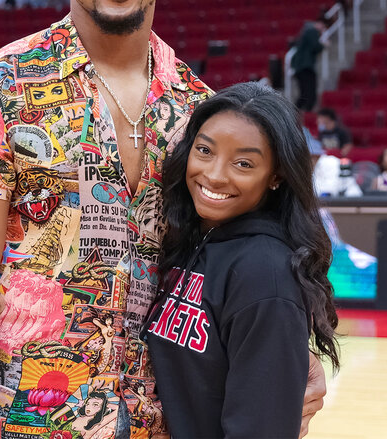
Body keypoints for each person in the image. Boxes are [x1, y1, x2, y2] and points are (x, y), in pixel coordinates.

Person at [0, 0, 327, 439]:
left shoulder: (198, 109)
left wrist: (292, 349)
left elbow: (240, 260)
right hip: (31, 422)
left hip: (168, 422)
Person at [144, 82, 340, 438]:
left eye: (243, 163)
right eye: (205, 150)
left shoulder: (267, 275)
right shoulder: (193, 241)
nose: (216, 175)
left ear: (276, 175)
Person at [291, 15, 329, 113]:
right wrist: (324, 45)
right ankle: (306, 112)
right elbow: (315, 46)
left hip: (300, 67)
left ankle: (295, 112)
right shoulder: (312, 31)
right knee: (309, 91)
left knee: (304, 93)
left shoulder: (306, 31)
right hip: (305, 66)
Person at [306, 130, 362, 197]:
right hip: (334, 200)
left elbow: (330, 190)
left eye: (309, 156)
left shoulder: (330, 162)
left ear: (315, 155)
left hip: (351, 198)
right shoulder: (313, 166)